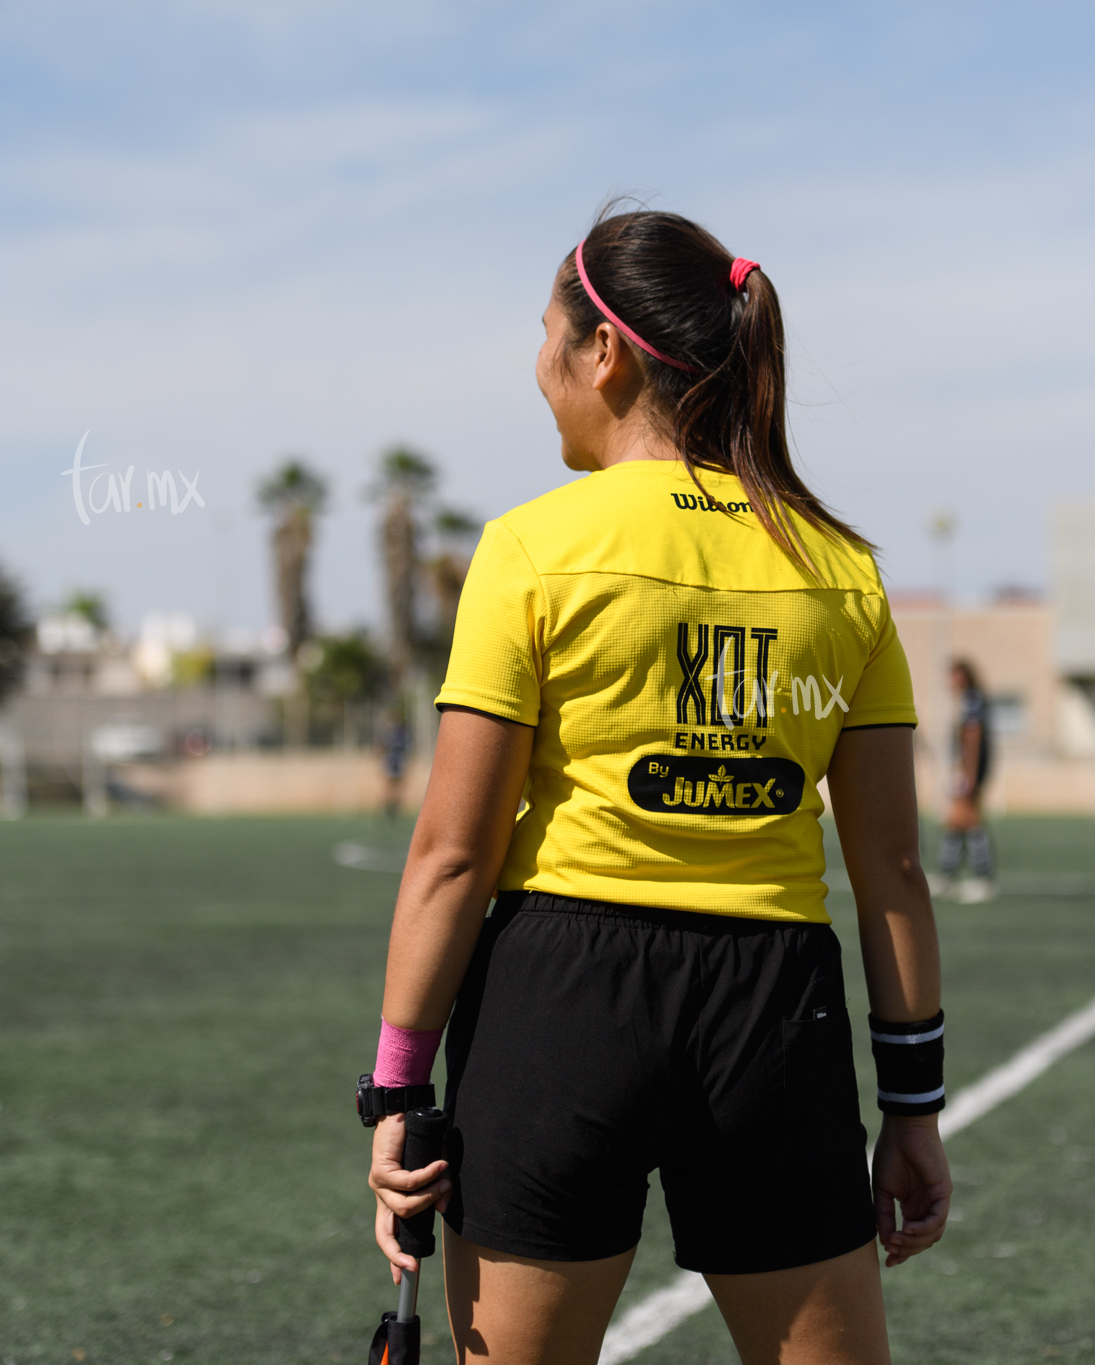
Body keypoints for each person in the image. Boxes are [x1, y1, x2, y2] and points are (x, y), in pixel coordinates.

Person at [360, 210, 951, 1365]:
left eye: (545, 338)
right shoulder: (841, 569)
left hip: (559, 998)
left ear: (605, 353)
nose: (536, 368)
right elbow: (888, 867)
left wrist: (393, 1094)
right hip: (773, 1013)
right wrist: (913, 1109)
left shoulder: (530, 548)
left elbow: (449, 854)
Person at [934, 659, 995, 903]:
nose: (949, 682)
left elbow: (972, 739)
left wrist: (968, 776)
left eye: (953, 676)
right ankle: (947, 875)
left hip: (968, 772)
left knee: (969, 821)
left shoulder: (971, 700)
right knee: (956, 824)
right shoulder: (969, 700)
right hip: (966, 770)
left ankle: (983, 878)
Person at [379, 710, 412, 823]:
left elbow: (407, 749)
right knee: (389, 787)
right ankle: (388, 810)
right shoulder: (390, 733)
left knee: (398, 787)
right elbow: (382, 747)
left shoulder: (403, 733)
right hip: (391, 762)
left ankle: (395, 810)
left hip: (399, 762)